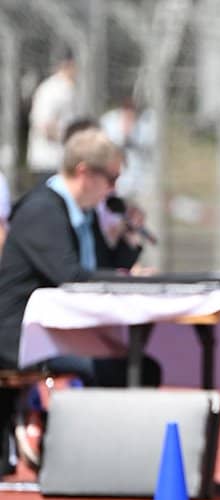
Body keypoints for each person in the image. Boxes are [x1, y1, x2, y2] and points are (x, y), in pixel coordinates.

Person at [0, 129, 159, 475]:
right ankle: (88, 458)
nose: (115, 189)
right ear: (85, 172)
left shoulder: (83, 217)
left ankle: (110, 458)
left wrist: (128, 242)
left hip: (59, 330)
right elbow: (71, 276)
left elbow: (98, 271)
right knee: (117, 366)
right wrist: (124, 278)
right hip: (20, 337)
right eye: (112, 178)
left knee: (141, 365)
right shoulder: (43, 211)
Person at [27, 53, 77, 188]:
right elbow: (45, 125)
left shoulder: (66, 88)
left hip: (60, 161)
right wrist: (72, 143)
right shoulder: (52, 89)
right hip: (48, 161)